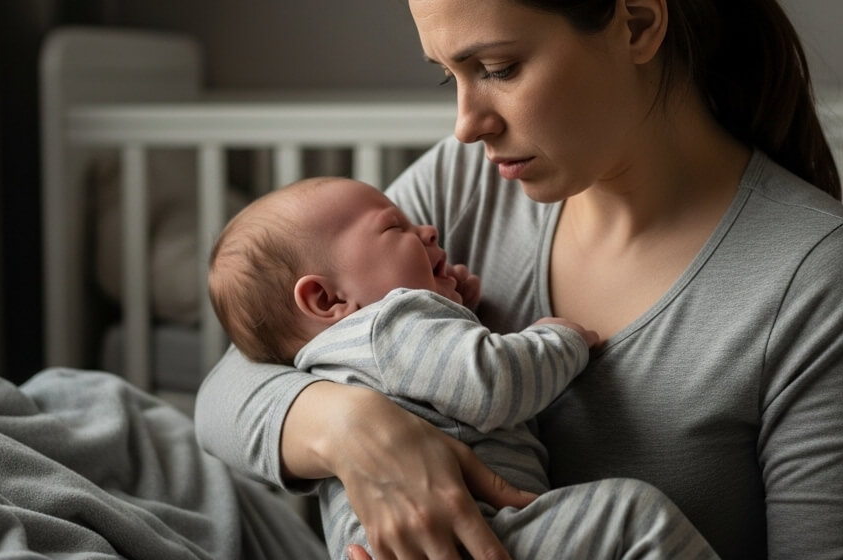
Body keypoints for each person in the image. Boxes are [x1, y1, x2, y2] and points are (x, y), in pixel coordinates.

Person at [196, 0, 843, 560]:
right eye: (451, 76)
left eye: (499, 68)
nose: (467, 123)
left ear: (637, 22)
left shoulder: (820, 279)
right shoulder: (463, 187)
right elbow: (232, 384)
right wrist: (353, 431)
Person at [207, 176, 717, 559]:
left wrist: (457, 318)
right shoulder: (392, 322)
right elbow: (492, 384)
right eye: (394, 226)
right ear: (325, 298)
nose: (427, 228)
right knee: (632, 517)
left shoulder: (330, 357)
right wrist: (559, 338)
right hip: (482, 538)